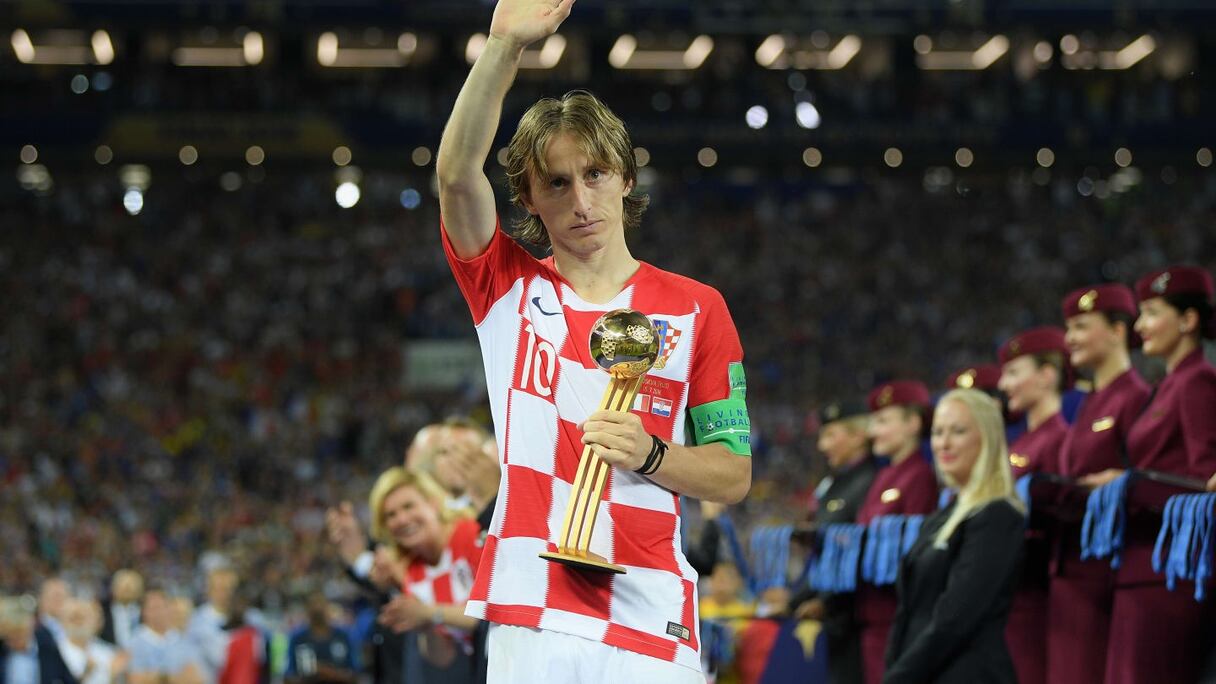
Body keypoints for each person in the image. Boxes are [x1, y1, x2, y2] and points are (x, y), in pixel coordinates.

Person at [434, 0, 752, 680]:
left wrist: (652, 453)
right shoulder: (505, 289)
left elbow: (733, 474)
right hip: (534, 610)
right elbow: (456, 175)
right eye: (556, 183)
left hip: (653, 615)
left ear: (626, 178)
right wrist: (503, 46)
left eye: (595, 174)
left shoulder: (698, 308)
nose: (580, 202)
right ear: (529, 199)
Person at [1094, 266, 1216, 684]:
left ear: (1188, 320)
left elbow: (1206, 483)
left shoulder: (1199, 381)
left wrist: (1130, 486)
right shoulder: (1168, 385)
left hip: (1171, 570)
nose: (1139, 326)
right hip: (1143, 564)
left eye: (1151, 313)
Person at [884, 389, 1025, 684]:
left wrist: (898, 678)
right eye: (937, 433)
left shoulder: (997, 515)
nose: (943, 443)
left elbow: (956, 618)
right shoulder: (942, 516)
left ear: (987, 438)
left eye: (958, 431)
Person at [1046, 284, 1150, 684]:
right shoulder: (1089, 401)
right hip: (1072, 565)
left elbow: (1142, 479)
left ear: (1117, 331)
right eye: (1068, 328)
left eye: (1081, 326)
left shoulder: (1134, 396)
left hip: (1103, 569)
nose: (1069, 338)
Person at [995, 326, 1069, 684]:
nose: (1004, 384)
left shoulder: (1060, 438)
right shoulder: (1019, 444)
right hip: (1011, 593)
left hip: (1036, 594)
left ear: (1046, 376)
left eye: (1013, 372)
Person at [855, 381, 938, 684]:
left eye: (883, 421)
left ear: (913, 423)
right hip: (872, 611)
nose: (873, 431)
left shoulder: (920, 476)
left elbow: (915, 549)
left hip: (896, 612)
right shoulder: (884, 475)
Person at [791, 399, 878, 684]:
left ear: (858, 435)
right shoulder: (836, 483)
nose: (822, 445)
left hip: (855, 616)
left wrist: (824, 602)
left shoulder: (870, 482)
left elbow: (857, 550)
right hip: (836, 619)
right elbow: (825, 555)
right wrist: (796, 600)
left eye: (830, 435)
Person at [127, 588, 203, 684]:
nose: (158, 613)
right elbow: (135, 680)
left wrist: (155, 677)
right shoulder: (135, 642)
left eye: (162, 607)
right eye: (153, 608)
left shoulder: (181, 639)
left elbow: (196, 679)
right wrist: (172, 677)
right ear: (144, 612)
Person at [1, 594, 78, 684]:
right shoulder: (3, 652)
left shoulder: (47, 648)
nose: (15, 640)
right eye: (11, 636)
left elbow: (69, 680)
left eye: (20, 634)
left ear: (31, 627)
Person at [284, 593, 357, 684]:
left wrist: (332, 674)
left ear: (328, 609)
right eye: (313, 606)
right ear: (307, 610)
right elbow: (288, 677)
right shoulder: (297, 639)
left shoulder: (342, 636)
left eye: (321, 606)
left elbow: (355, 675)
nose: (317, 609)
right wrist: (313, 673)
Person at [186, 566, 239, 683]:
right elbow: (220, 658)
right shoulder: (198, 620)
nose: (225, 594)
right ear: (209, 591)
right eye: (219, 589)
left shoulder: (249, 618)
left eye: (229, 589)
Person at [58, 598, 124, 684]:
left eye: (83, 617)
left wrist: (114, 677)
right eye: (74, 618)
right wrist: (86, 673)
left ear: (97, 622)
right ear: (63, 621)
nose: (79, 622)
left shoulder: (108, 653)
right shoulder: (55, 652)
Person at [100, 570, 143, 650]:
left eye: (131, 586)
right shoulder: (102, 610)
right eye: (122, 585)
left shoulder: (145, 611)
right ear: (113, 588)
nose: (127, 589)